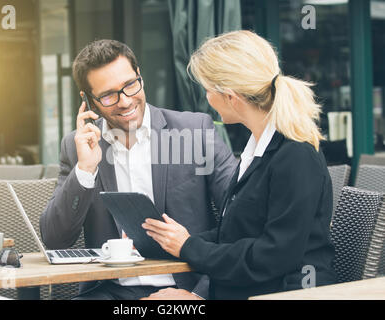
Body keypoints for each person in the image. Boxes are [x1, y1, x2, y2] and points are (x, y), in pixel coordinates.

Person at [142, 30, 337, 300]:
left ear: (231, 97)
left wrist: (190, 247)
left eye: (208, 89)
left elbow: (274, 256)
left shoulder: (295, 157)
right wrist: (179, 240)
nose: (207, 98)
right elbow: (238, 233)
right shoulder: (258, 149)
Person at [39, 39, 237, 300]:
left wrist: (199, 295)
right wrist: (85, 169)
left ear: (139, 75)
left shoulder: (194, 132)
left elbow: (240, 216)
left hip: (186, 290)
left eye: (130, 85)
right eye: (109, 95)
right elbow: (55, 239)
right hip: (108, 292)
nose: (125, 101)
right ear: (89, 100)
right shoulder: (78, 146)